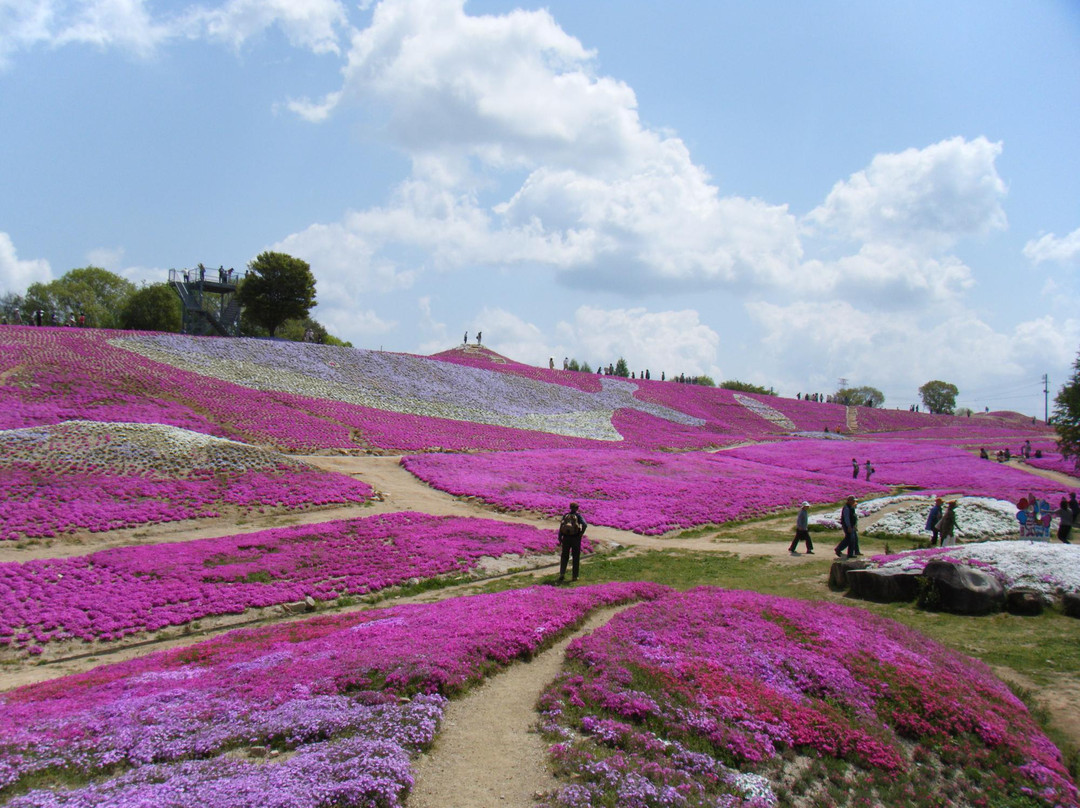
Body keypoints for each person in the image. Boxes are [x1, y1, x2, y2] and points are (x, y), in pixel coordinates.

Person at [557, 503, 587, 583]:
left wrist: (560, 537)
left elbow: (561, 526)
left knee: (564, 556)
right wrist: (581, 534)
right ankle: (574, 576)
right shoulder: (578, 516)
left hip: (566, 538)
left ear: (570, 508)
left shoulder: (566, 515)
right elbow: (584, 524)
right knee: (576, 557)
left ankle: (562, 574)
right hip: (575, 538)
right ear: (577, 508)